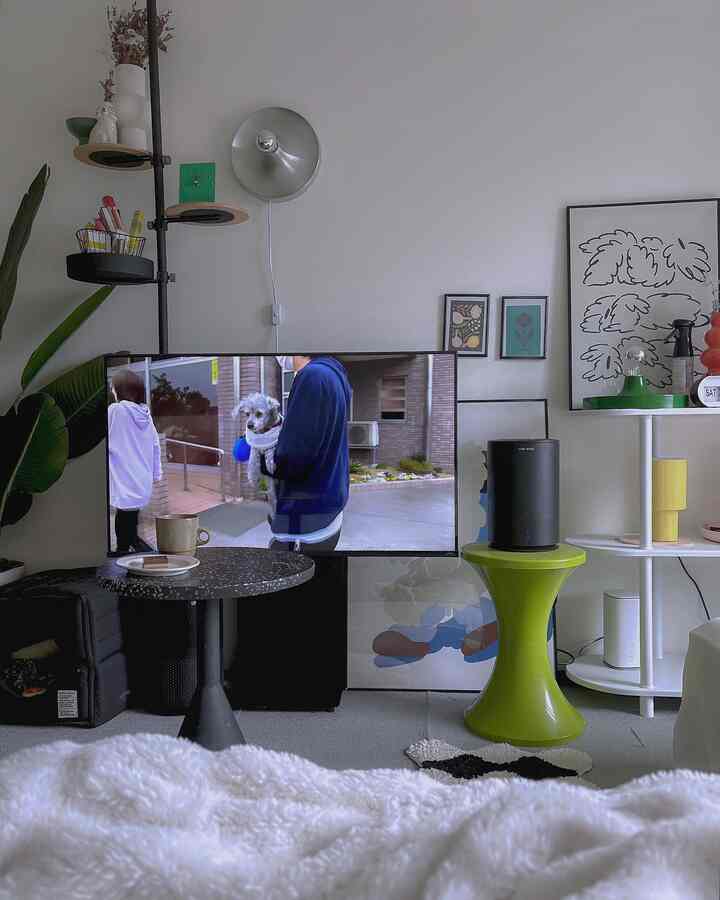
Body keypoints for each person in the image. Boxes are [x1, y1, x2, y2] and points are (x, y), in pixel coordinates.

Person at [263, 355, 351, 552]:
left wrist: (268, 449)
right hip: (326, 508)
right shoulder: (332, 374)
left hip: (305, 526)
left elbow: (294, 455)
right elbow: (317, 435)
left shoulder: (313, 376)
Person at [108, 369, 162, 553]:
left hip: (123, 473)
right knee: (131, 512)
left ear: (119, 389)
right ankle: (133, 542)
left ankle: (123, 550)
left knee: (123, 514)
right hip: (141, 475)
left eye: (112, 387)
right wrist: (156, 473)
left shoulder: (115, 411)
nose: (111, 390)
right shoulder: (145, 414)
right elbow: (156, 445)